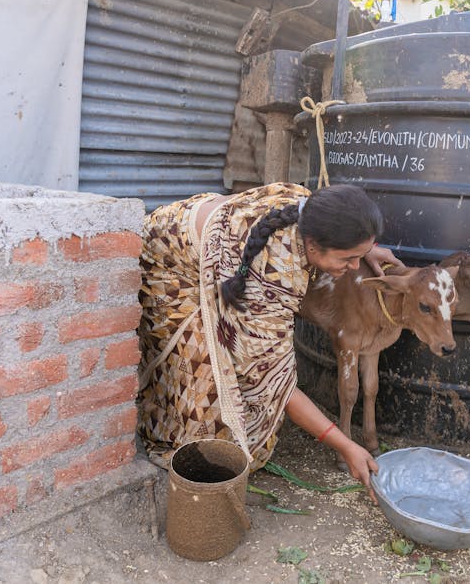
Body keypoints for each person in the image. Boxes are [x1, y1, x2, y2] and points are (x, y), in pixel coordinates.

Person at [136, 182, 401, 502]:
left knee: (237, 371)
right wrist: (345, 445)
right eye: (348, 259)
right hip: (169, 260)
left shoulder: (310, 209)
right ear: (313, 245)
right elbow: (276, 384)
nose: (355, 268)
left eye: (359, 256)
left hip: (207, 238)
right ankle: (166, 430)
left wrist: (362, 248)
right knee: (209, 405)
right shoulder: (269, 280)